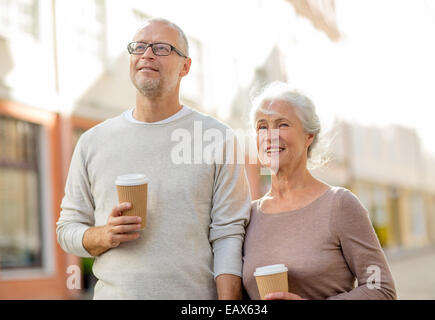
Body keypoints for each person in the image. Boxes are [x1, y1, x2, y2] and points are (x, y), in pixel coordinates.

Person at [56, 18, 251, 299]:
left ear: (185, 67)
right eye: (139, 47)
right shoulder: (92, 141)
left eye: (161, 48)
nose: (147, 54)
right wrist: (104, 235)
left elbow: (228, 236)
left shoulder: (217, 137)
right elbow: (67, 229)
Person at [242, 81, 397, 300]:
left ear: (309, 136)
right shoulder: (248, 217)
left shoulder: (340, 205)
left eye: (282, 124)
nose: (270, 135)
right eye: (262, 127)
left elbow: (381, 289)